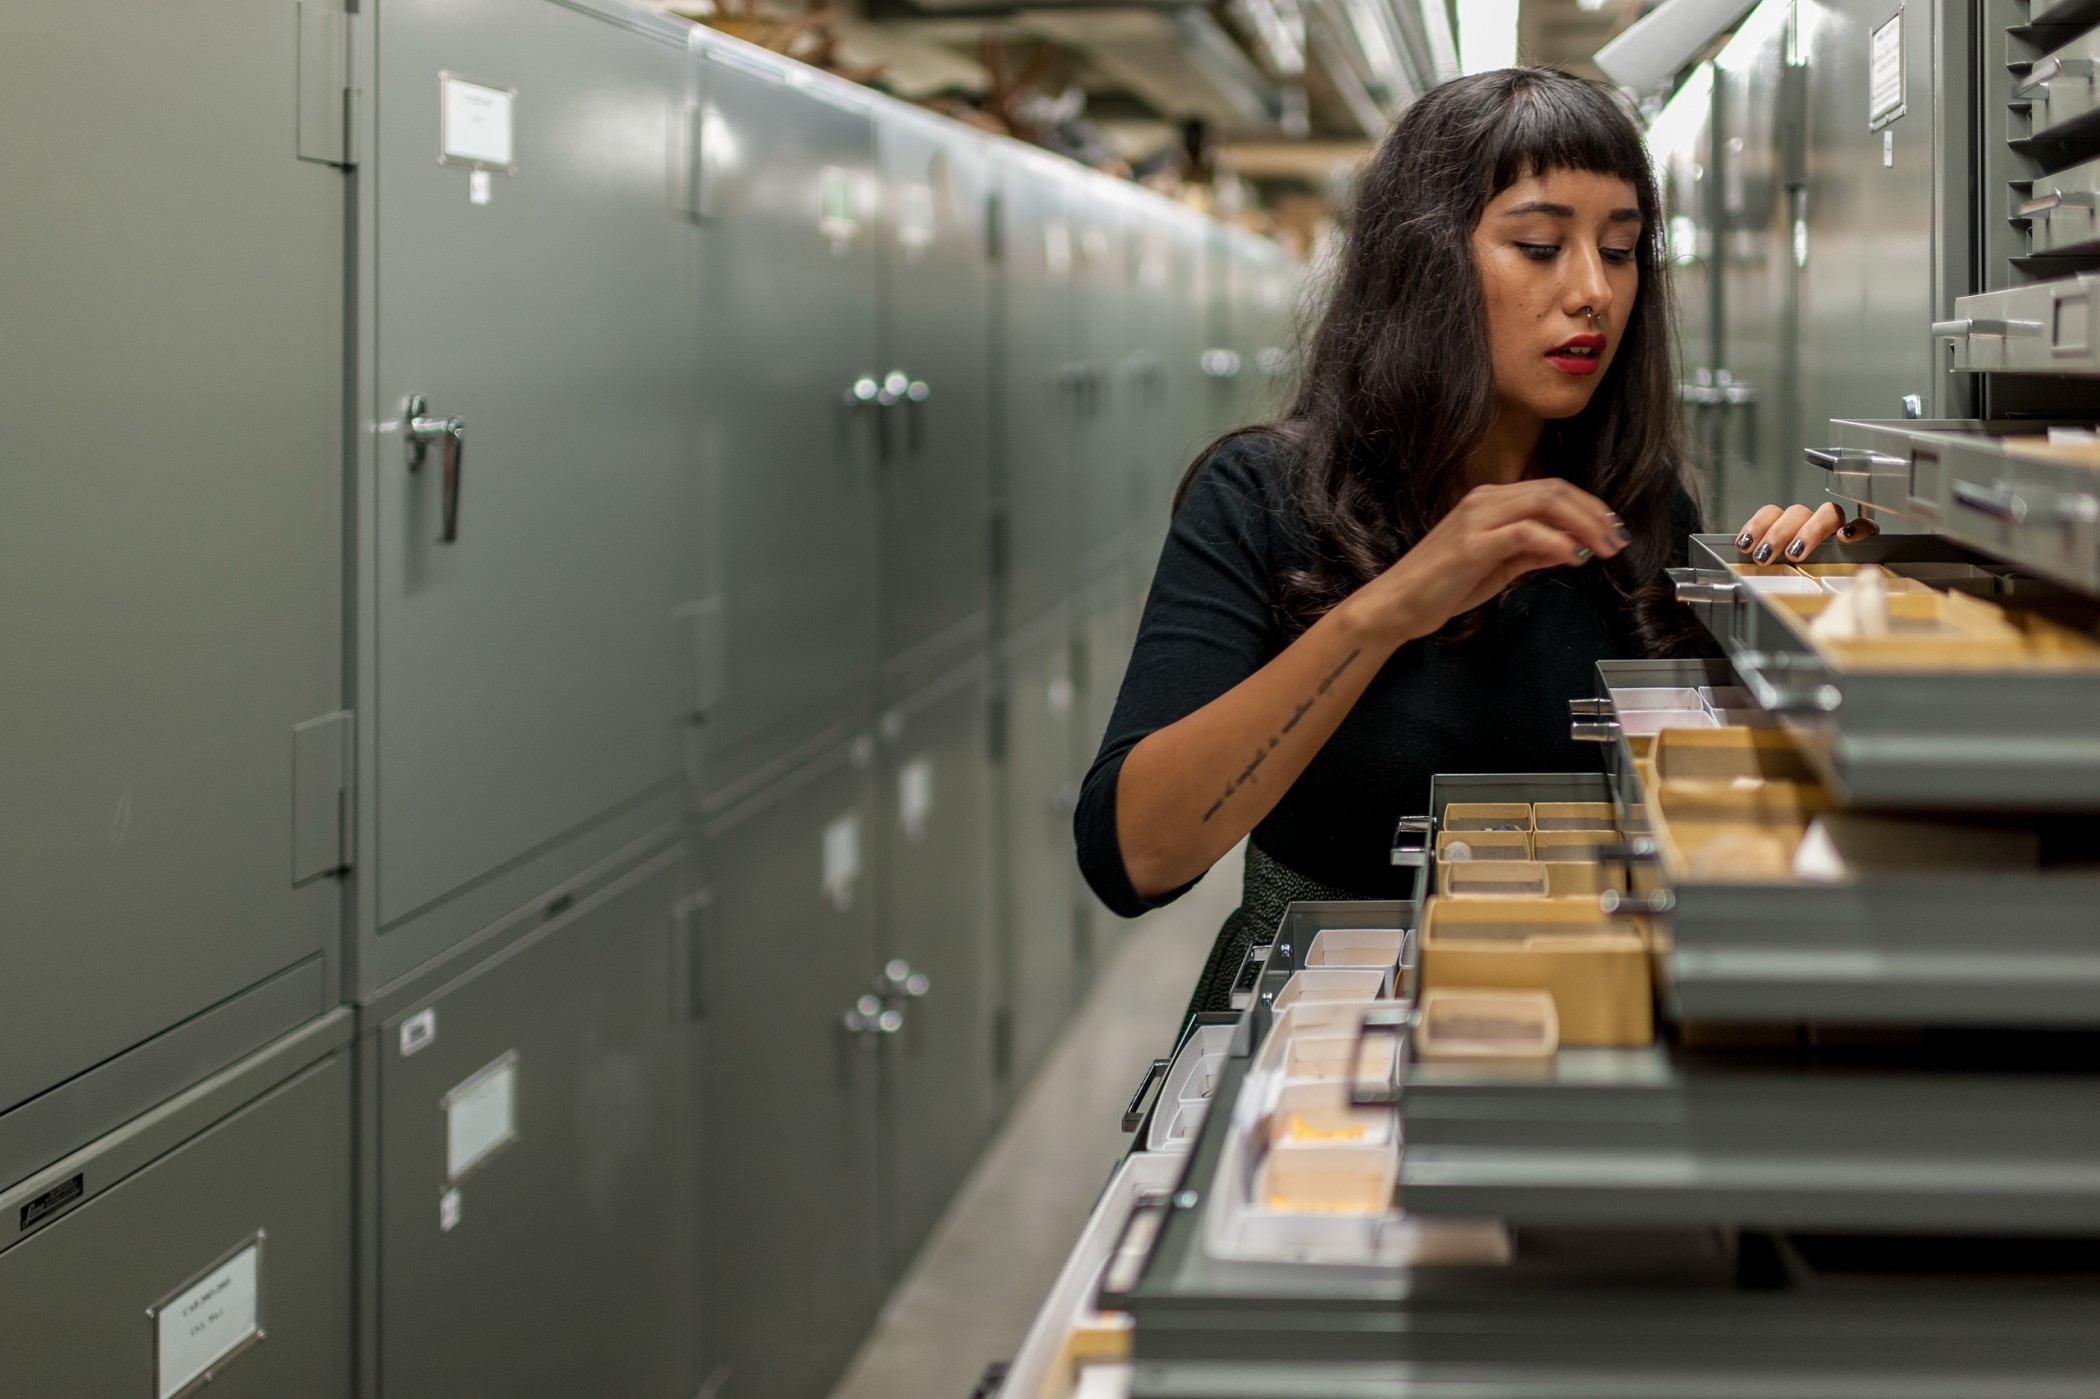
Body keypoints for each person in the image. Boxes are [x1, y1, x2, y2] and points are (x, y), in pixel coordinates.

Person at [1072, 67, 1870, 1026]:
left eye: (1621, 252)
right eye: (1539, 246)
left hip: (1574, 1006)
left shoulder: (1636, 507)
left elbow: (1721, 804)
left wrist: (1806, 626)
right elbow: (1137, 857)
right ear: (1426, 263)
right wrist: (1387, 610)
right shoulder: (1264, 497)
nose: (1593, 292)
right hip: (1326, 1026)